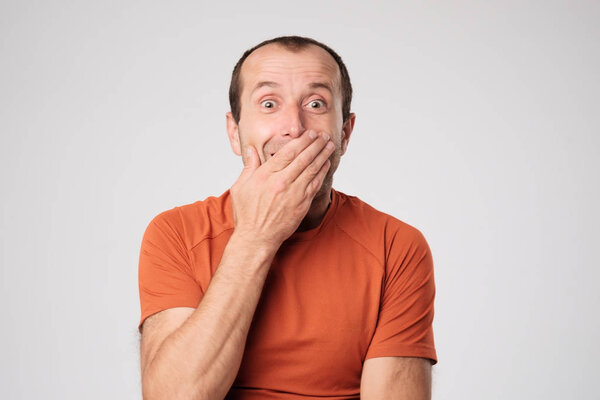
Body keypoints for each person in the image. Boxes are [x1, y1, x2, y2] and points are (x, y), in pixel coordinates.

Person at [137, 35, 437, 400]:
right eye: (268, 103)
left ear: (344, 133)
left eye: (316, 103)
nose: (294, 127)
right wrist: (255, 238)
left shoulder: (396, 245)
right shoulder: (176, 233)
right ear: (235, 132)